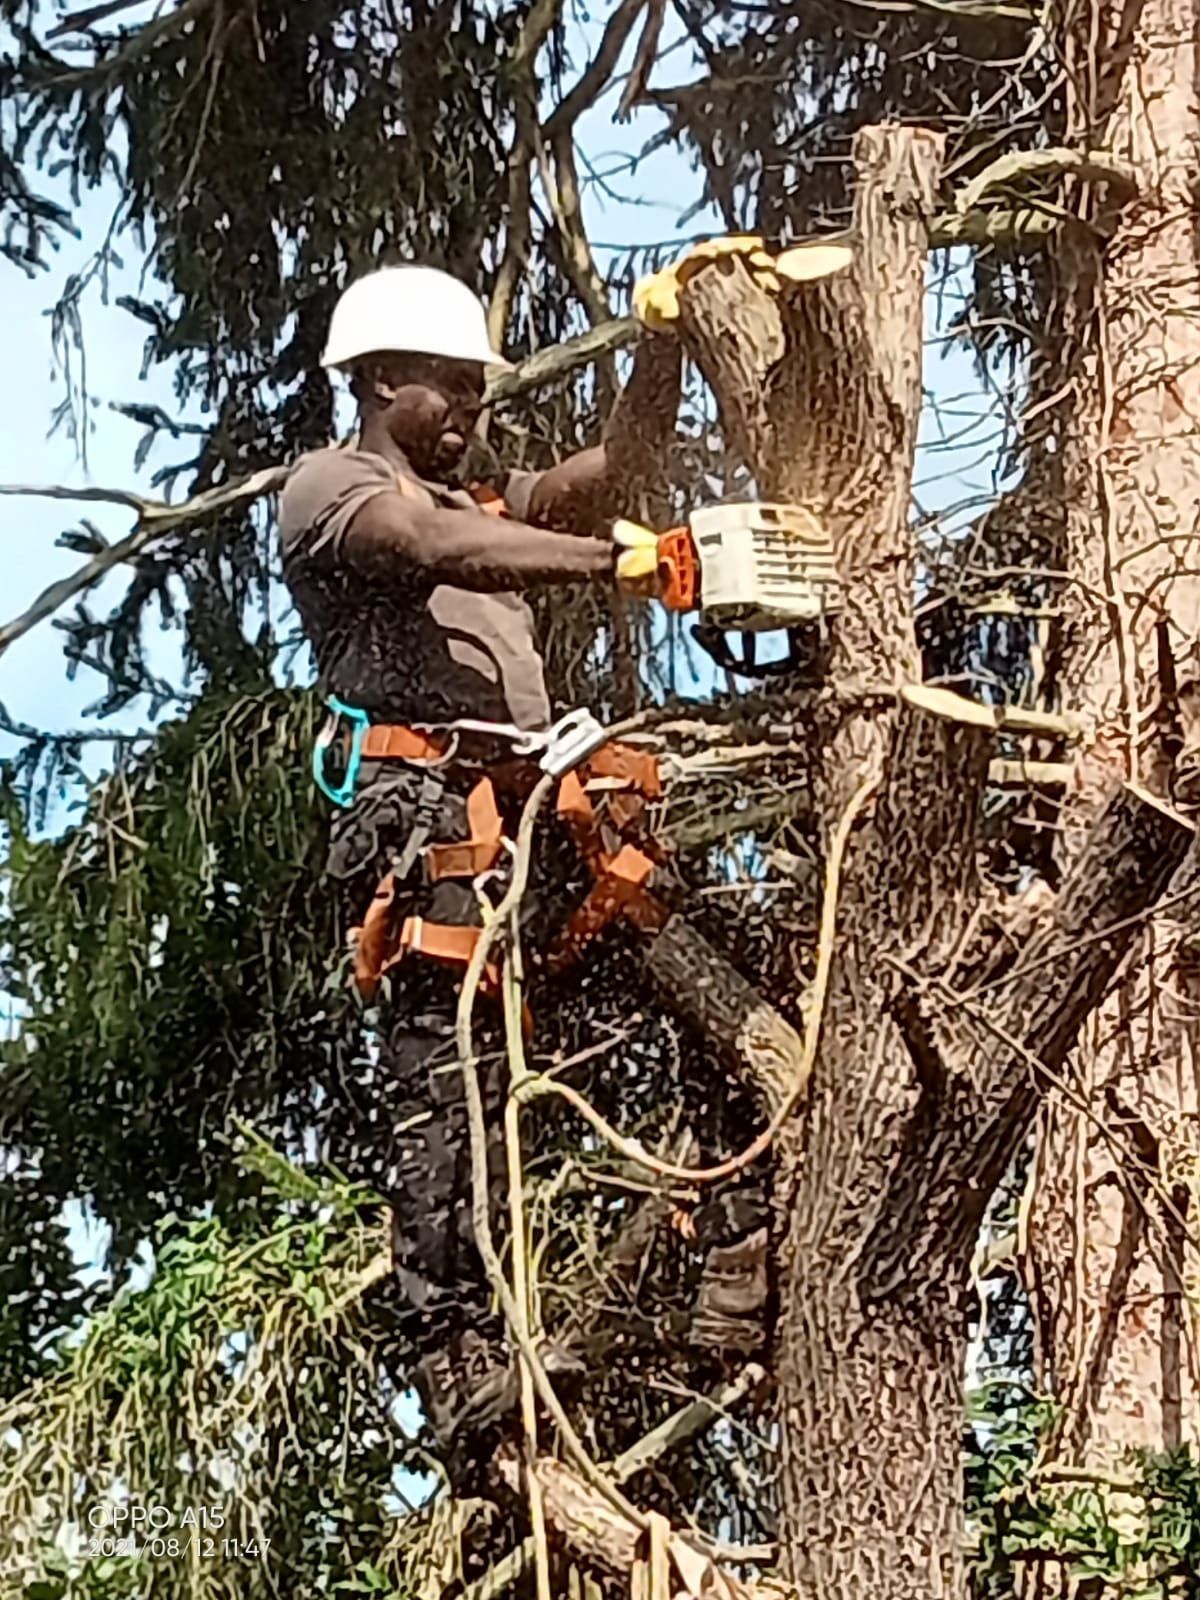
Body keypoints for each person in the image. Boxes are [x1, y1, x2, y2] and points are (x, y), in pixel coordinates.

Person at [278, 263, 679, 1465]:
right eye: (448, 387)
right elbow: (441, 543)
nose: (469, 411)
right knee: (447, 1086)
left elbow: (612, 479)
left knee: (688, 974)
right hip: (424, 824)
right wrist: (616, 563)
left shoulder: (485, 495)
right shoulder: (334, 490)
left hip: (531, 824)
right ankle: (455, 1361)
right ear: (378, 379)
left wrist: (666, 343)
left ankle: (726, 1257)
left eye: (478, 389)